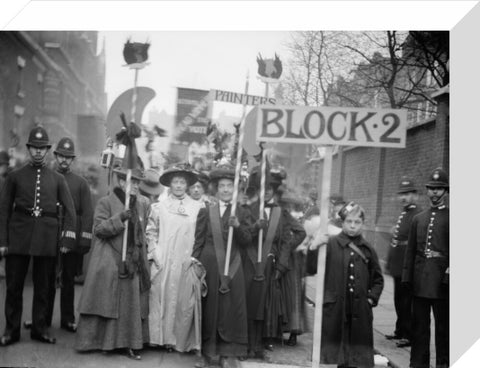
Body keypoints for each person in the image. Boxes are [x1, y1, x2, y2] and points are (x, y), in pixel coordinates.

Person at [0, 126, 77, 346]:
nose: (38, 152)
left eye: (42, 148)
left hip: (46, 239)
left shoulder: (57, 179)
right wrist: (3, 242)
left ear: (47, 150)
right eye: (34, 147)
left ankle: (39, 328)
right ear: (28, 148)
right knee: (14, 287)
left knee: (44, 288)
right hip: (19, 237)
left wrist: (66, 241)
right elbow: (3, 211)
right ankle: (11, 331)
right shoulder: (15, 177)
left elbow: (70, 212)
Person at [75, 166, 151, 360]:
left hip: (132, 262)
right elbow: (99, 229)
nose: (134, 185)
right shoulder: (106, 202)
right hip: (110, 259)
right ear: (122, 181)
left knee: (129, 304)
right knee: (108, 302)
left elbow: (141, 233)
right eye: (131, 181)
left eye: (137, 182)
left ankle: (129, 343)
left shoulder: (141, 204)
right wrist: (119, 218)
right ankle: (103, 342)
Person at [24, 137, 94, 333]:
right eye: (61, 156)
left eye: (68, 157)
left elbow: (87, 214)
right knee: (45, 279)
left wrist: (82, 241)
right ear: (55, 156)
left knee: (68, 280)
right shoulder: (47, 177)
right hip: (49, 234)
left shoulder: (81, 183)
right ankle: (42, 319)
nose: (64, 160)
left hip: (71, 235)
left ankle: (68, 319)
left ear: (73, 160)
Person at [307, 202, 384, 368]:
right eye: (349, 221)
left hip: (359, 310)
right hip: (336, 307)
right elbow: (311, 268)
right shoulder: (330, 244)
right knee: (337, 354)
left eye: (357, 222)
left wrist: (370, 299)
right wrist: (314, 246)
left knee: (355, 356)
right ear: (343, 223)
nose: (353, 226)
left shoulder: (367, 249)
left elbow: (378, 279)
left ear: (363, 224)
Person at [191, 164, 254, 368]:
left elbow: (247, 241)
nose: (226, 190)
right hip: (210, 264)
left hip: (233, 267)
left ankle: (229, 353)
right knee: (210, 308)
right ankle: (208, 352)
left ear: (234, 190)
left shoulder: (243, 213)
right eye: (222, 186)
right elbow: (198, 241)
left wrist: (237, 227)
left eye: (229, 186)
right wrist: (195, 264)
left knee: (231, 309)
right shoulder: (206, 210)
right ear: (216, 189)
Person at [146, 163, 202, 350]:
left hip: (186, 258)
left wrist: (195, 258)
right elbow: (151, 232)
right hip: (165, 258)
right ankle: (159, 339)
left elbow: (200, 234)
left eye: (182, 182)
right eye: (175, 182)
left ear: (187, 185)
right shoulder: (159, 207)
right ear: (170, 184)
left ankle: (180, 340)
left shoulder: (197, 207)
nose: (178, 186)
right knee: (161, 296)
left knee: (183, 299)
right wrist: (155, 253)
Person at [402, 168, 449, 368]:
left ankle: (443, 363)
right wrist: (407, 278)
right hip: (420, 280)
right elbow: (410, 251)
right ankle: (418, 363)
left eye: (439, 189)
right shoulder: (418, 219)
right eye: (432, 189)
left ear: (446, 191)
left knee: (443, 327)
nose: (435, 193)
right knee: (420, 326)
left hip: (441, 282)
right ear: (427, 191)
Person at [385, 176, 421, 348]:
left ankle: (408, 334)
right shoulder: (405, 213)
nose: (404, 197)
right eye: (402, 194)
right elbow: (396, 241)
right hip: (398, 265)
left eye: (407, 193)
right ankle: (399, 330)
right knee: (398, 300)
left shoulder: (417, 214)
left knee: (407, 302)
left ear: (415, 195)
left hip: (408, 266)